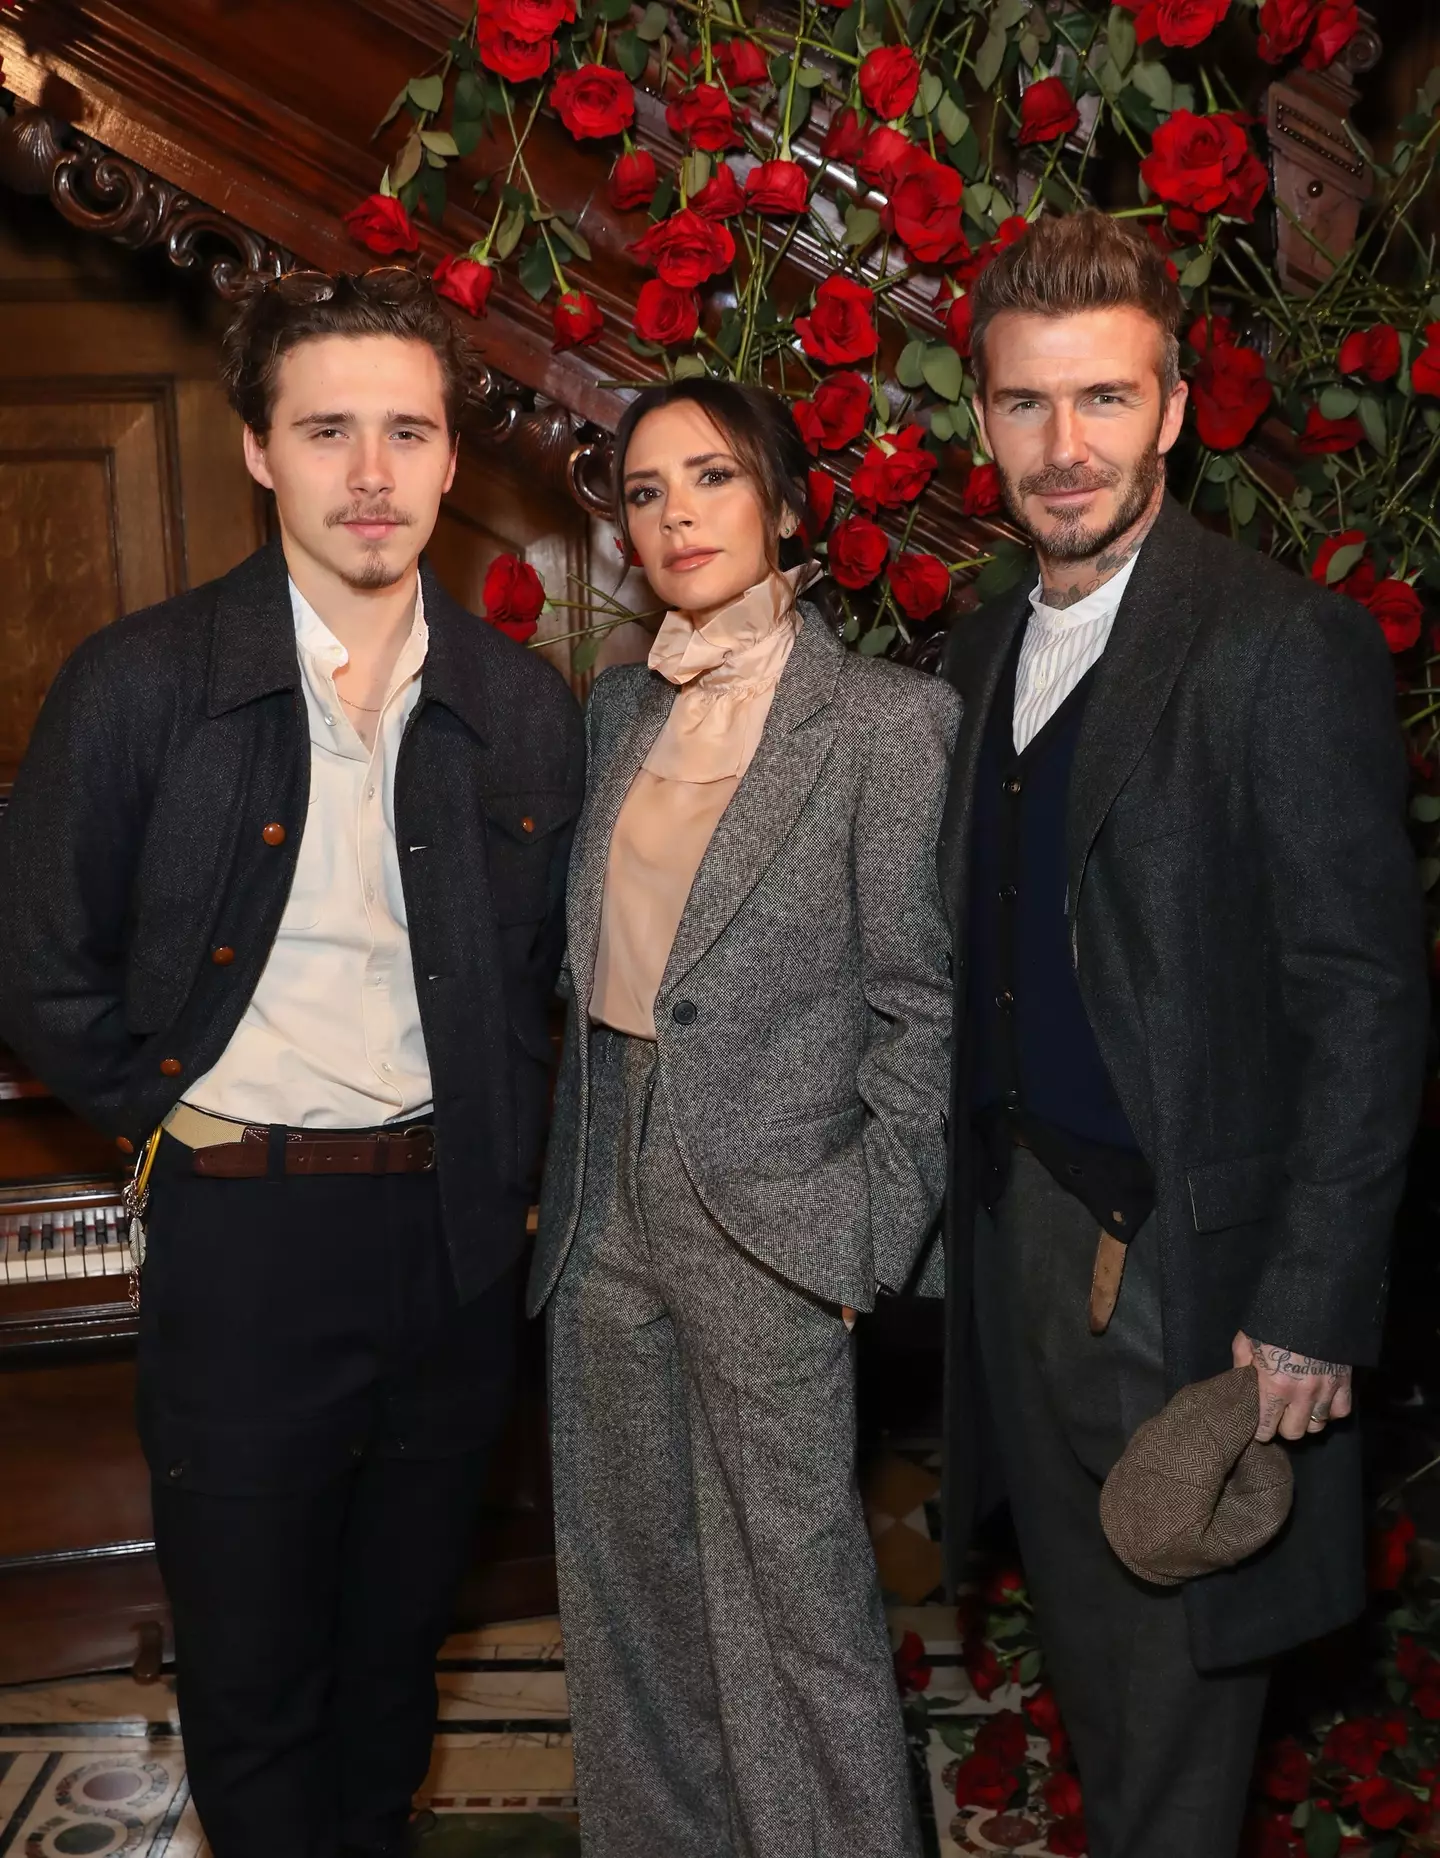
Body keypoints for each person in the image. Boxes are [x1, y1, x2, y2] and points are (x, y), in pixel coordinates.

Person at [0, 269, 583, 1858]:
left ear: (456, 457)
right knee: (257, 1691)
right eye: (330, 431)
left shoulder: (521, 708)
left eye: (408, 430)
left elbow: (539, 979)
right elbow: (33, 959)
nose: (374, 473)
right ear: (261, 450)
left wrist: (512, 1183)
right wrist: (170, 1121)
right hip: (244, 1233)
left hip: (450, 1240)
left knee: (394, 1675)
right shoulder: (142, 686)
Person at [937, 209, 1428, 1858]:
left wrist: (1307, 1303)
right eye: (1026, 404)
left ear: (1172, 412)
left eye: (1102, 400)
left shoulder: (1278, 642)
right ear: (981, 416)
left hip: (1197, 1290)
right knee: (1105, 1690)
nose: (1063, 448)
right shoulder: (978, 645)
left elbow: (1365, 996)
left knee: (1173, 1737)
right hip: (1026, 1252)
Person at [530, 377, 958, 1858]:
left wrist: (864, 1227)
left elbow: (926, 1004)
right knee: (632, 1588)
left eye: (709, 478)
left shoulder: (889, 724)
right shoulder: (617, 711)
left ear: (784, 505)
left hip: (775, 1201)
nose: (674, 515)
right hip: (604, 1200)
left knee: (800, 1602)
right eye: (645, 492)